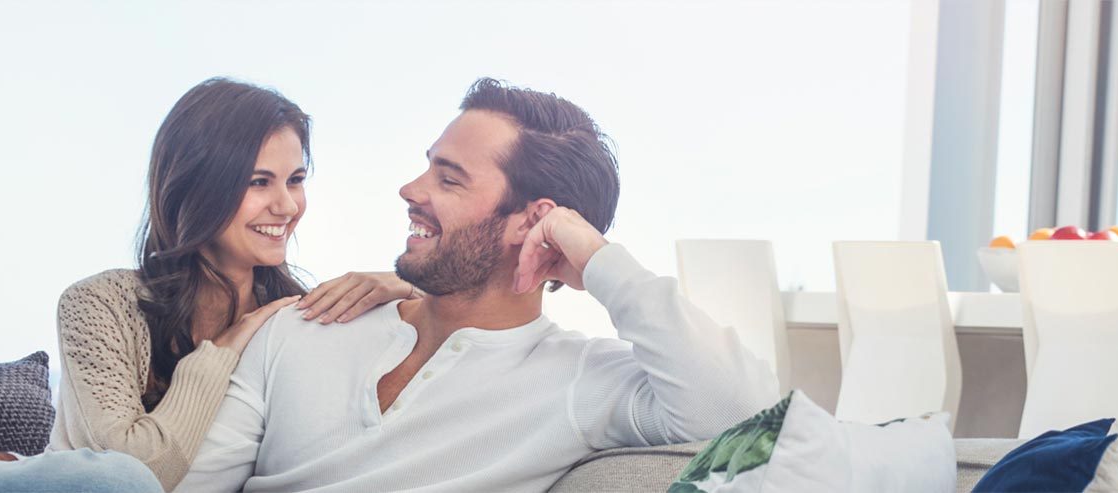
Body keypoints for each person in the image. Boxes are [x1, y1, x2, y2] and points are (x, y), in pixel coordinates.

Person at [0, 77, 418, 493]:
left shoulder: (304, 315)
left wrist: (399, 282)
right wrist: (230, 344)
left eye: (296, 179)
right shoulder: (101, 304)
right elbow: (126, 473)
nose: (286, 206)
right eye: (258, 182)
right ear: (196, 186)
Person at [174, 78, 777, 492]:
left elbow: (749, 414)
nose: (411, 190)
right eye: (427, 164)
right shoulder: (304, 325)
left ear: (532, 221)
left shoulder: (579, 382)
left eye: (449, 178)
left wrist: (596, 259)